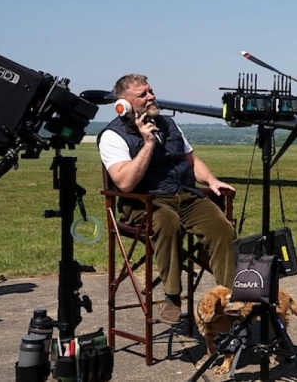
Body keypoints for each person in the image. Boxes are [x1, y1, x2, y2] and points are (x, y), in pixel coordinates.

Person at [98, 74, 236, 325]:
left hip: (185, 194)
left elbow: (190, 160)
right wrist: (148, 144)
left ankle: (228, 298)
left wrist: (211, 180)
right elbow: (125, 183)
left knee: (221, 228)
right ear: (124, 104)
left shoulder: (169, 124)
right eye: (142, 95)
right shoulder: (112, 136)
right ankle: (172, 296)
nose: (151, 97)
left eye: (150, 91)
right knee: (167, 223)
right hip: (145, 201)